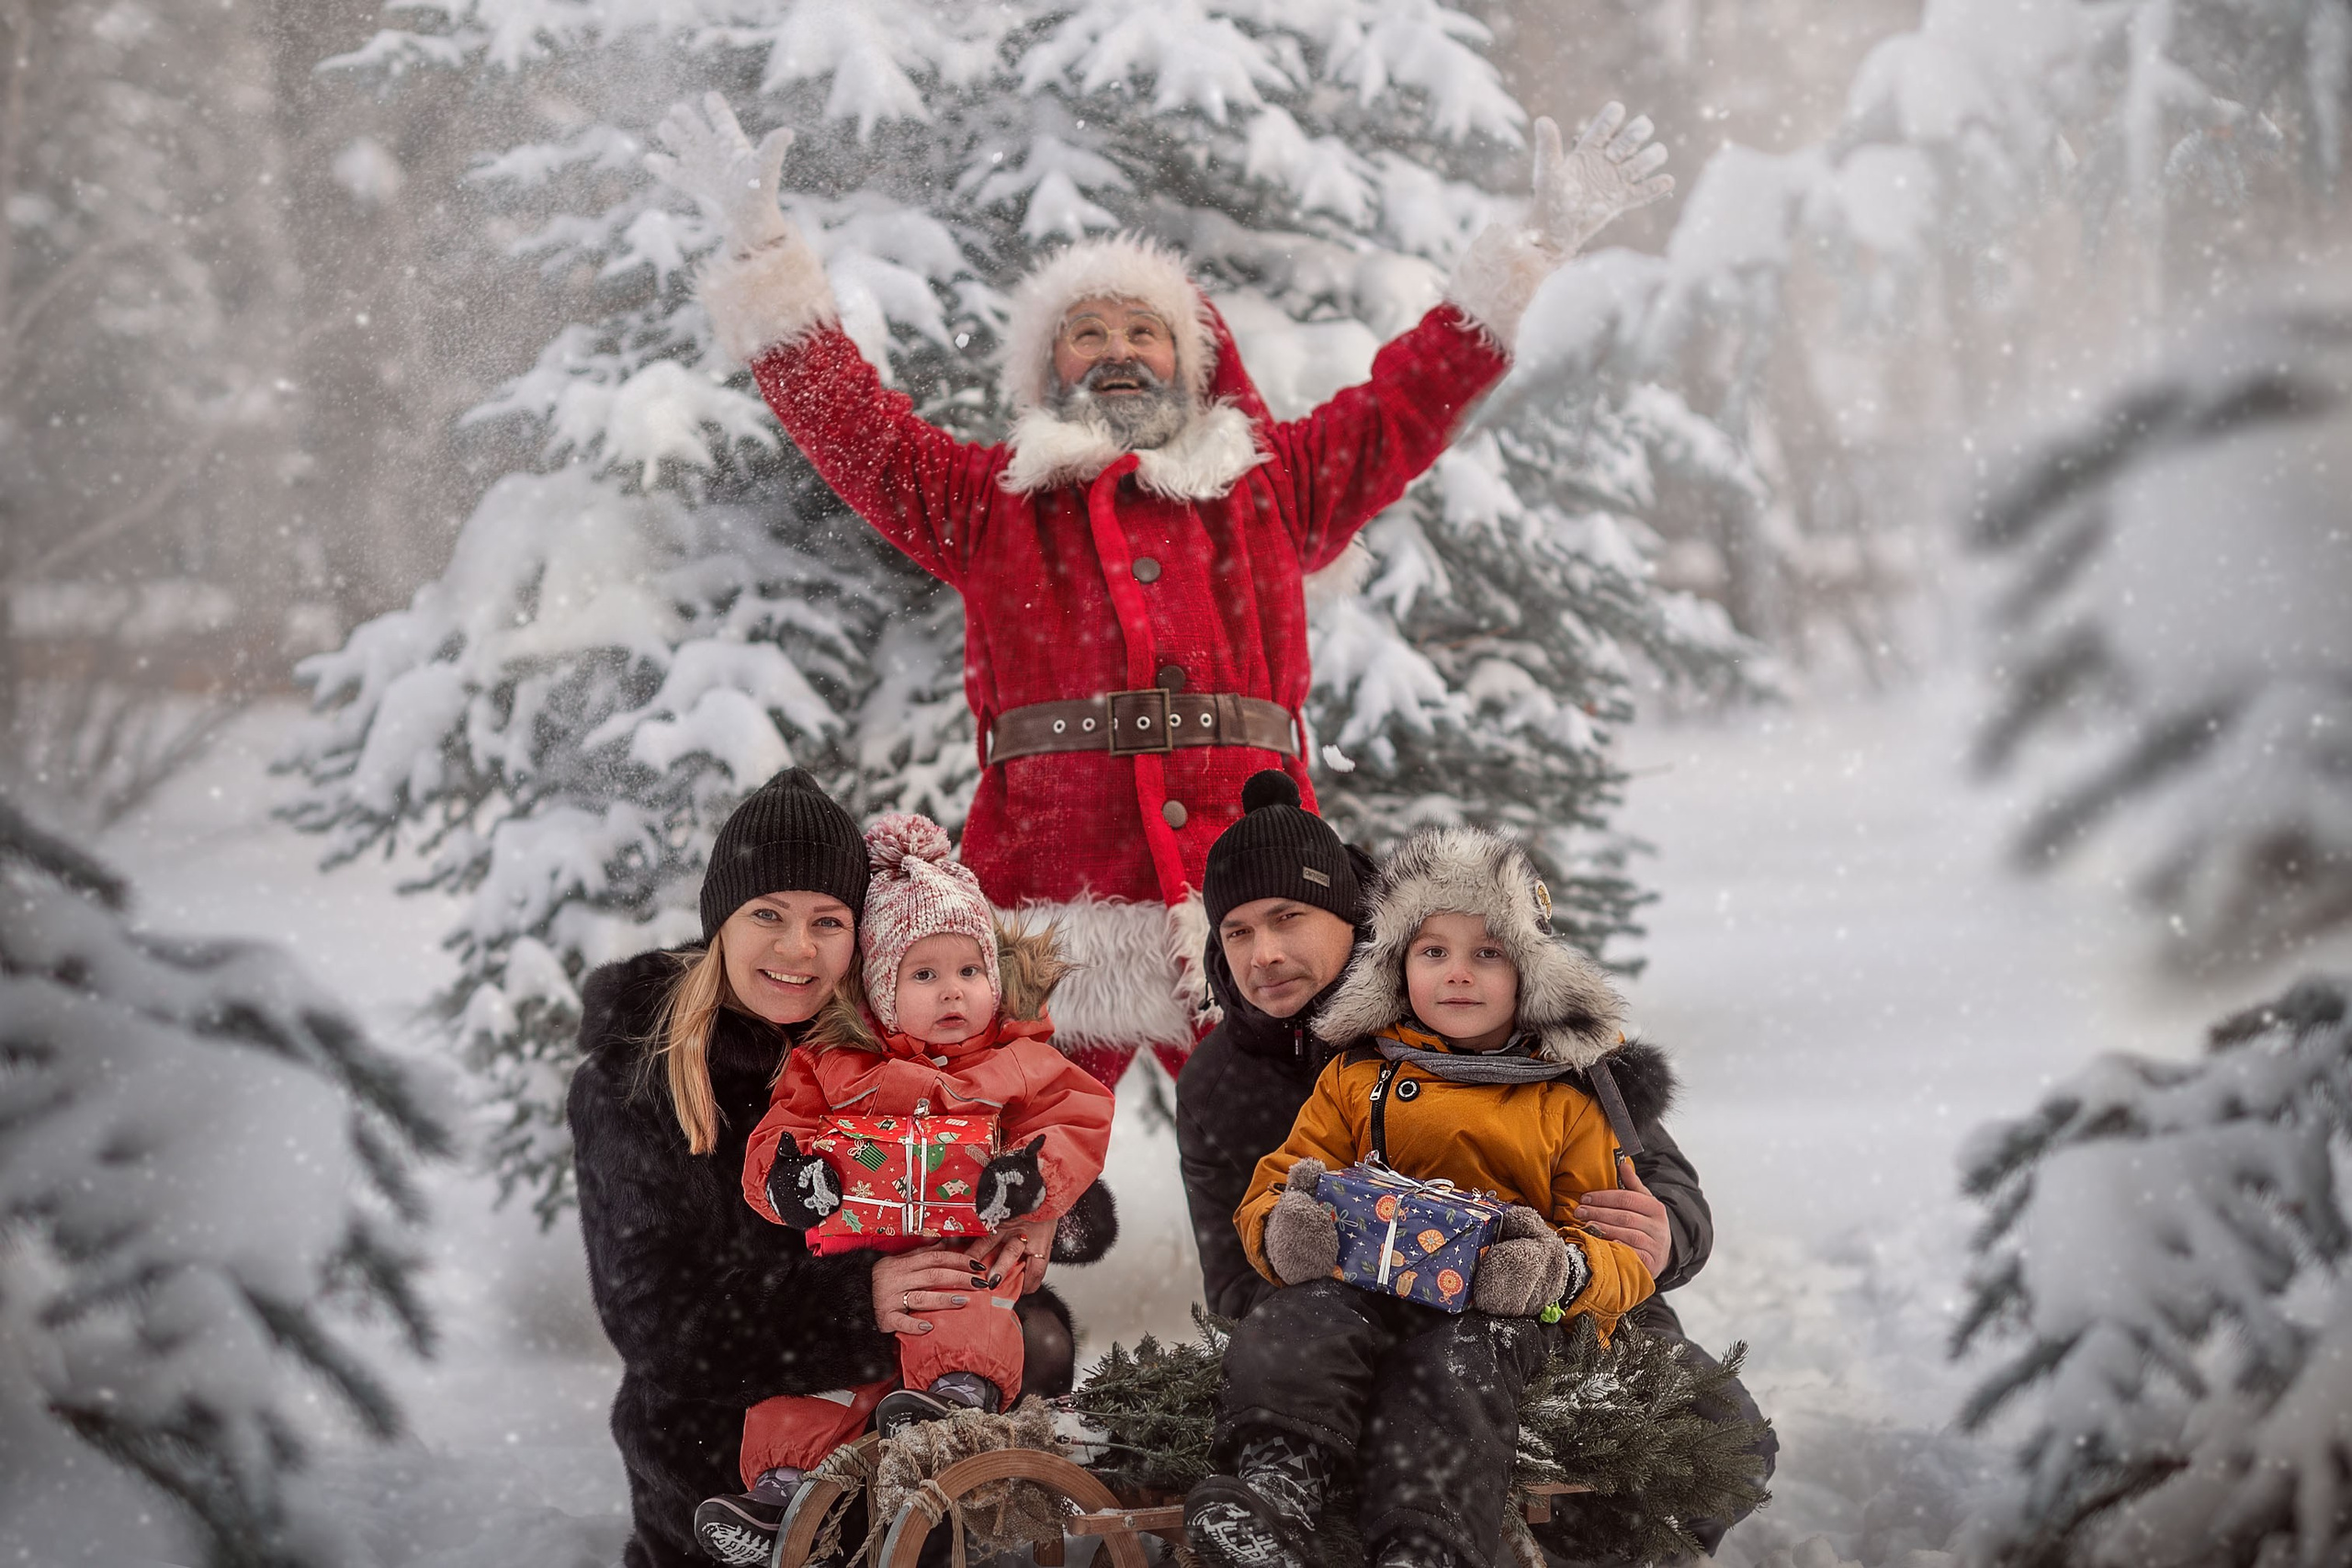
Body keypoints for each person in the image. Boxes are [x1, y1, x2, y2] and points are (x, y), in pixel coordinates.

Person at [647, 96, 1674, 1092]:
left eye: (1145, 331)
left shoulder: (1280, 491)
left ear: (1193, 361)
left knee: (1307, 1150)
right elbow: (855, 429)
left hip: (1249, 894)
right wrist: (759, 254)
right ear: (1049, 369)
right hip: (1039, 898)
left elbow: (1413, 397)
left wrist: (1531, 248)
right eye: (1086, 333)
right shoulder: (988, 503)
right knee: (983, 1156)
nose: (1118, 350)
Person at [1176, 775, 1775, 1561]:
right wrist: (1334, 1258)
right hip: (1357, 1319)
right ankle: (1288, 1501)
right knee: (1318, 1342)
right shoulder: (1251, 1080)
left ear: (1356, 918)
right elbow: (1238, 1276)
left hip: (1549, 1318)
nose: (1266, 954)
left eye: (1288, 917)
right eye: (1238, 930)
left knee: (1719, 1439)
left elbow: (1653, 1197)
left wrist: (1642, 1244)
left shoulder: (1523, 1033)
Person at [568, 767, 1110, 1568]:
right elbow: (656, 1318)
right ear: (721, 922)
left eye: (827, 920)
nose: (797, 948)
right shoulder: (636, 1077)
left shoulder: (899, 1032)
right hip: (725, 1454)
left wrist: (1040, 1209)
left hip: (914, 1433)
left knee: (1028, 1339)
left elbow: (1064, 1155)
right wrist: (858, 1304)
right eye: (768, 915)